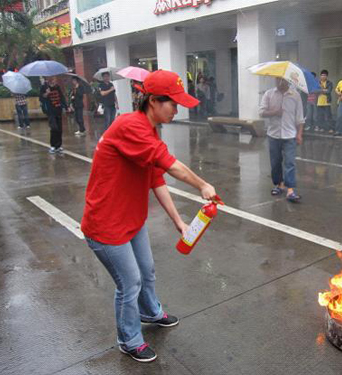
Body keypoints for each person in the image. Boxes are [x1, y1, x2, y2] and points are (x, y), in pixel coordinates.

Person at [81, 70, 217, 363]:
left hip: (131, 218)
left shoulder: (148, 130)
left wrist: (179, 222)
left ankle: (150, 311)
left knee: (147, 270)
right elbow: (171, 166)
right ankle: (129, 339)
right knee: (129, 282)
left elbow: (157, 179)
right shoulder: (131, 126)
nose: (177, 109)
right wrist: (202, 184)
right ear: (154, 101)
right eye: (174, 103)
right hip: (106, 224)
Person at [260, 78, 304, 203]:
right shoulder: (269, 94)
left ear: (288, 81)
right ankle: (279, 184)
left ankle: (290, 190)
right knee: (275, 162)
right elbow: (261, 112)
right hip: (273, 134)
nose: (279, 82)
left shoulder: (295, 96)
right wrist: (274, 112)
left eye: (282, 80)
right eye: (277, 79)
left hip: (290, 135)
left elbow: (300, 118)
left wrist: (299, 134)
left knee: (290, 162)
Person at [40, 76, 67, 154]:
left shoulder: (57, 87)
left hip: (58, 110)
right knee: (54, 128)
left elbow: (61, 97)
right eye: (51, 79)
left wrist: (65, 106)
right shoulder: (44, 87)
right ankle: (53, 145)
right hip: (50, 111)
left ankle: (58, 145)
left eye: (54, 79)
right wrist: (47, 93)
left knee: (59, 128)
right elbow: (41, 98)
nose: (53, 80)